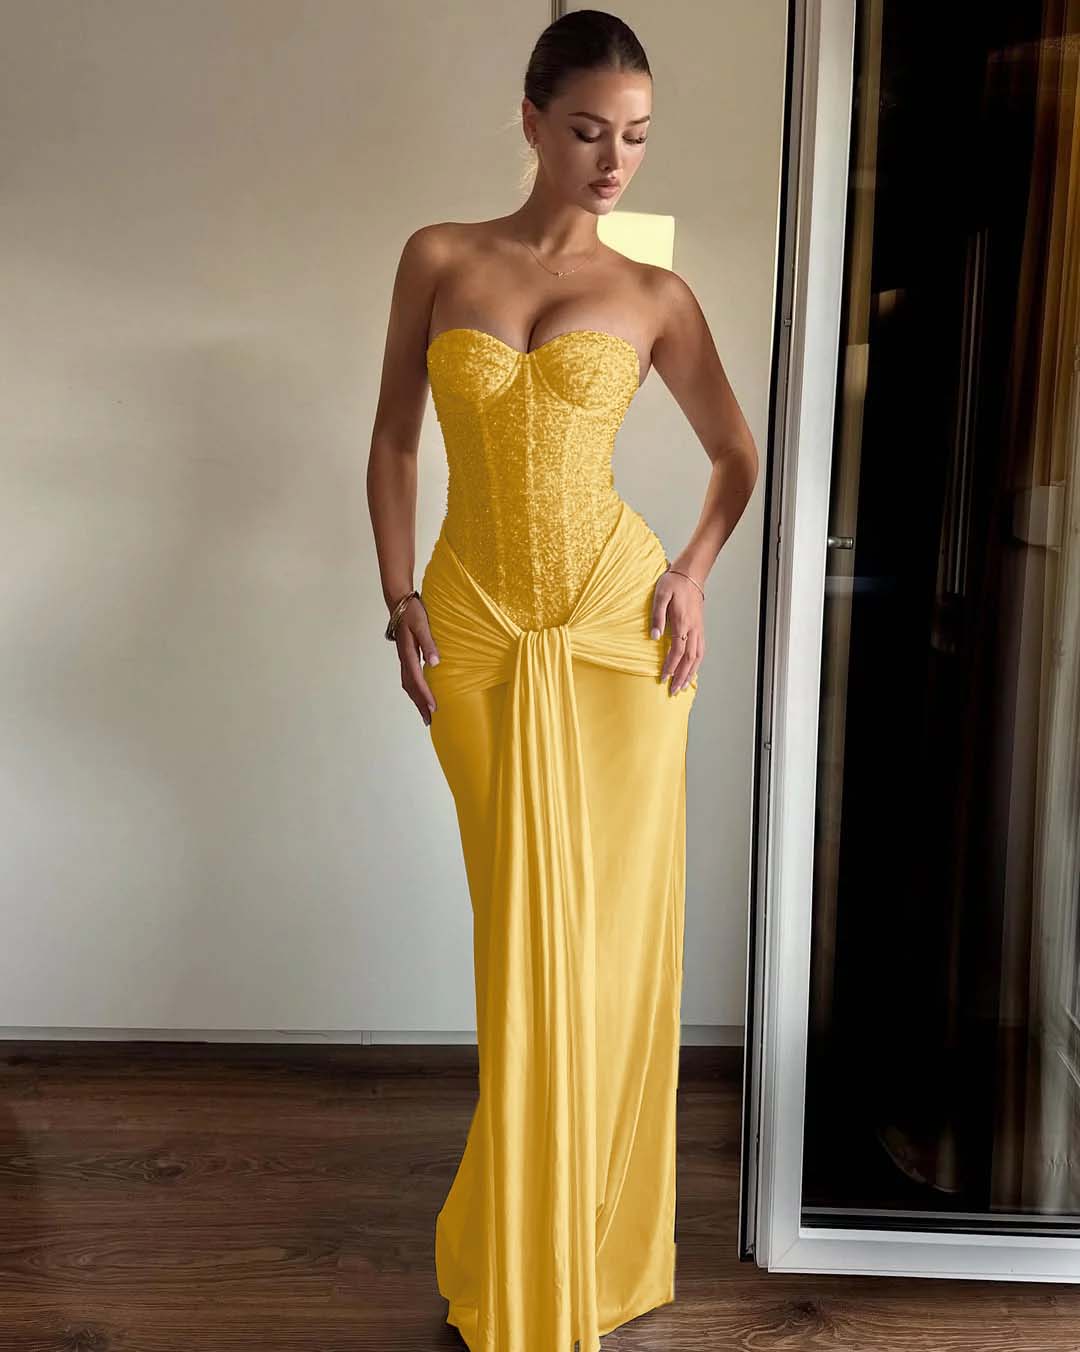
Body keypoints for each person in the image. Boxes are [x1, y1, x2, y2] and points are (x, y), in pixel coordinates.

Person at [367, 11, 758, 1349]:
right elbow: (394, 440)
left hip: (617, 639)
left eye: (637, 137)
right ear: (533, 120)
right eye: (590, 130)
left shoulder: (656, 295)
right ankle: (519, 1239)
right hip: (476, 630)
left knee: (611, 945)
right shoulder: (440, 256)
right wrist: (400, 596)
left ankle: (595, 1250)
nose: (614, 162)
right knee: (518, 943)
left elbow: (737, 457)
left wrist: (691, 572)